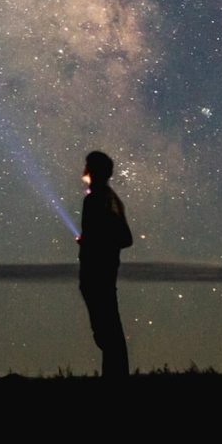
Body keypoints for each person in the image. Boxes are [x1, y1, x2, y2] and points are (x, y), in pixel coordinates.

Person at [79, 150, 133, 377]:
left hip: (97, 275)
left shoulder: (95, 200)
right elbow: (124, 238)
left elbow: (122, 238)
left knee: (107, 333)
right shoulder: (111, 200)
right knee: (108, 333)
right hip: (105, 273)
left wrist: (92, 241)